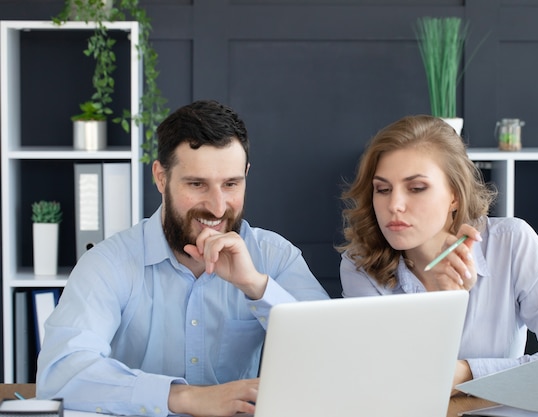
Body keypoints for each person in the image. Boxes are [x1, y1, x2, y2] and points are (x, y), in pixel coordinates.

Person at [36, 100, 330, 417]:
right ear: (161, 178)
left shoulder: (275, 257)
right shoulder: (108, 263)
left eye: (231, 184)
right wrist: (184, 398)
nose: (218, 208)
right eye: (197, 184)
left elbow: (333, 358)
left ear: (246, 175)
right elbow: (60, 375)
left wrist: (256, 287)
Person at [337, 114, 538, 395]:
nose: (395, 205)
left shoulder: (511, 243)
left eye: (416, 188)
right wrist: (439, 303)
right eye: (383, 189)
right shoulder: (359, 265)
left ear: (455, 195)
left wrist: (463, 373)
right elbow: (385, 390)